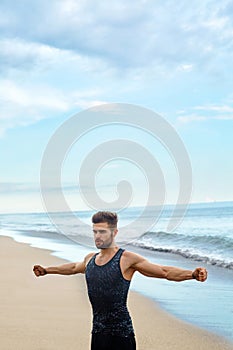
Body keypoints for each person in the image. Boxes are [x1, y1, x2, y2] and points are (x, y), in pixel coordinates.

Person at [33, 211, 208, 350]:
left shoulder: (126, 259)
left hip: (121, 335)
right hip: (98, 333)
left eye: (102, 232)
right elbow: (72, 268)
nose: (97, 236)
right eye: (95, 232)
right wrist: (47, 270)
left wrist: (191, 274)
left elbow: (164, 271)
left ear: (114, 232)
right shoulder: (90, 259)